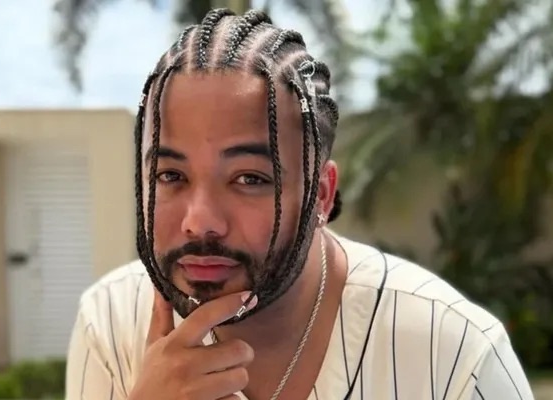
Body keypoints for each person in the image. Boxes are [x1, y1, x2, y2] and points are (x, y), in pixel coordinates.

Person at [65, 8, 534, 400]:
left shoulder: (454, 355)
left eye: (249, 179)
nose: (200, 221)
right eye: (171, 176)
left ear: (322, 195)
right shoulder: (109, 323)